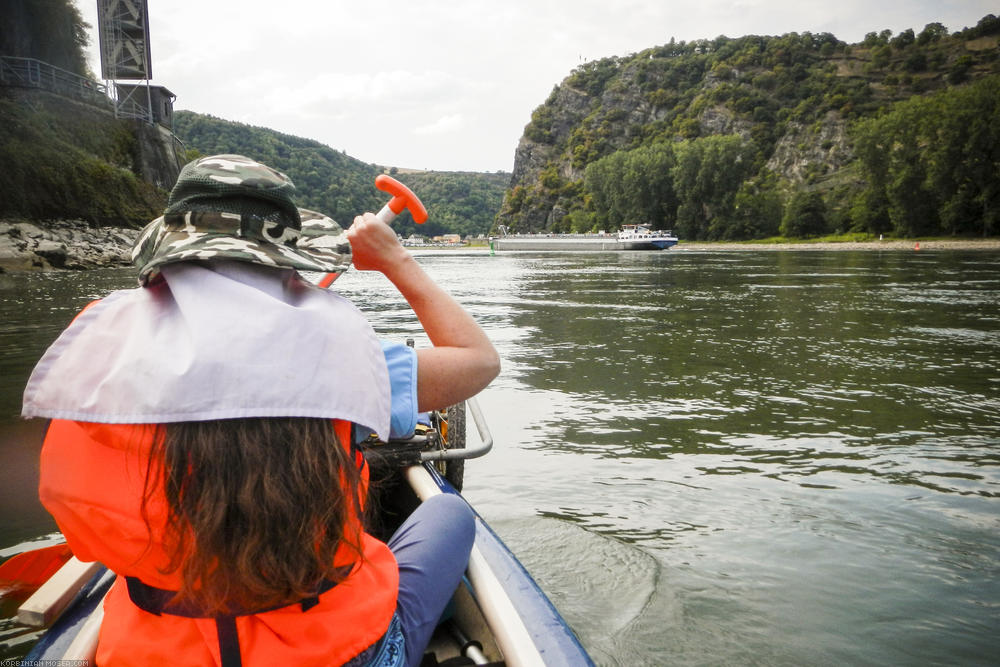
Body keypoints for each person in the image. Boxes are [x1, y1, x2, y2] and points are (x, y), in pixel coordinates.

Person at [21, 154, 501, 666]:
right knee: (447, 512)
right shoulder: (341, 351)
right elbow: (478, 361)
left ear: (167, 250)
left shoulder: (101, 351)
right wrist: (395, 262)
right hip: (338, 652)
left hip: (151, 653)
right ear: (287, 260)